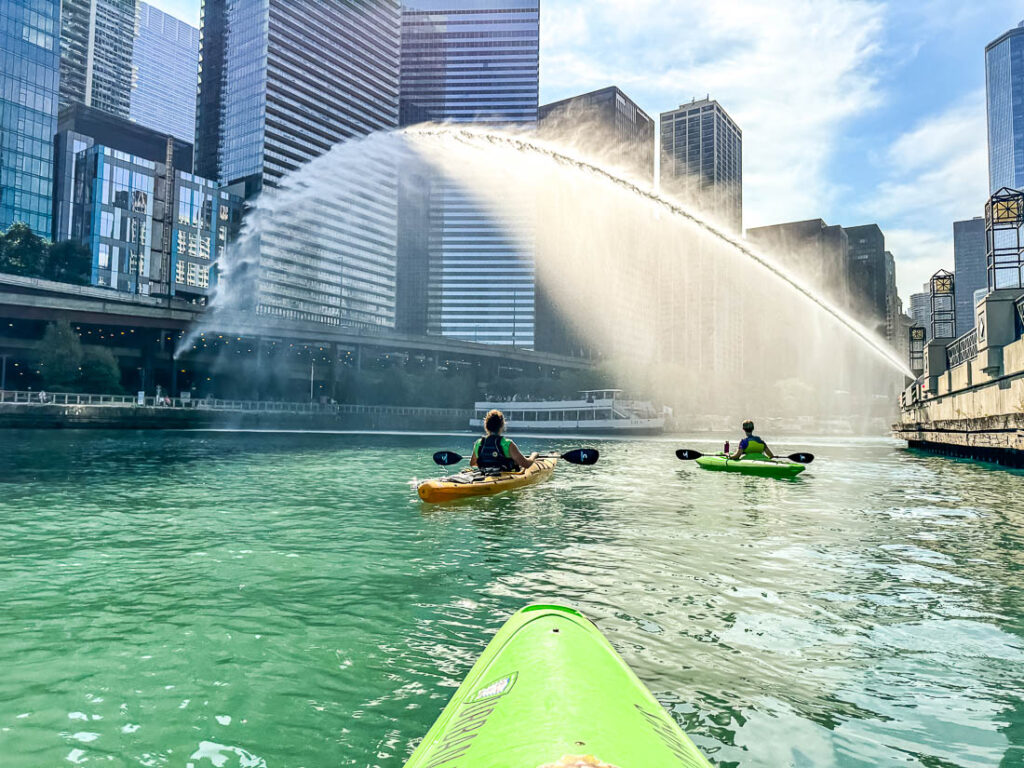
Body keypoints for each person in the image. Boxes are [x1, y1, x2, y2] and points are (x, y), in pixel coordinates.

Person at [470, 409, 537, 472]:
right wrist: (534, 455)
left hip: (485, 474)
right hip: (504, 476)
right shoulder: (507, 444)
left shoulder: (479, 443)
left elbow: (473, 463)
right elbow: (526, 464)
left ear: (486, 426)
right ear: (502, 425)